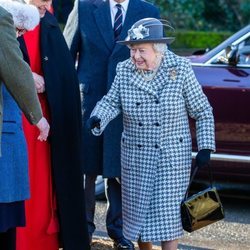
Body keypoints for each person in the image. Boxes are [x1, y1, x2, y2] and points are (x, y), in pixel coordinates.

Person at [86, 18, 216, 250]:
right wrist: (99, 117)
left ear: (158, 49)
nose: (135, 56)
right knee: (139, 219)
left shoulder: (181, 68)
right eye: (132, 50)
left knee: (169, 218)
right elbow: (111, 102)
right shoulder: (124, 69)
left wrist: (206, 146)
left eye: (141, 50)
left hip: (172, 157)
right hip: (136, 157)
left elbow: (202, 110)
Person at [63, 1, 160, 248]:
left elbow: (157, 62)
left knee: (122, 171)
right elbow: (65, 57)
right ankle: (80, 231)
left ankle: (121, 233)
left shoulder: (149, 12)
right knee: (86, 171)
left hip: (130, 106)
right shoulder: (84, 7)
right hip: (90, 104)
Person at [15, 0, 90, 250]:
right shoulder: (9, 15)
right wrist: (27, 76)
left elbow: (62, 70)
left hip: (45, 115)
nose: (46, 4)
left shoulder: (48, 20)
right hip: (18, 114)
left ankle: (41, 240)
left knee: (44, 181)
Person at [0, 2, 48, 250]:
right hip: (4, 139)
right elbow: (15, 71)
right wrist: (38, 117)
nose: (18, 37)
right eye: (18, 31)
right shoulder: (1, 19)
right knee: (5, 219)